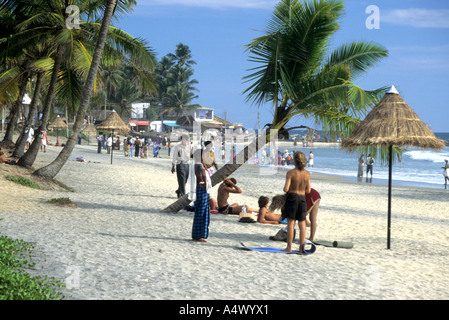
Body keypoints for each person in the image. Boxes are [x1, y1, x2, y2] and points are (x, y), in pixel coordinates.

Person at [282, 151, 311, 253]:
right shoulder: (307, 174)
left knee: (291, 223)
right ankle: (301, 248)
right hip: (302, 198)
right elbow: (308, 190)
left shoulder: (290, 173)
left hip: (292, 198)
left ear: (294, 160)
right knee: (302, 223)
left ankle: (289, 247)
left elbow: (286, 189)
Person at [191, 149, 211, 243]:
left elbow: (205, 170)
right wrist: (203, 183)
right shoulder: (199, 165)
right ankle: (198, 236)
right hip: (202, 189)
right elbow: (202, 175)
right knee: (202, 212)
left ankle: (197, 235)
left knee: (201, 211)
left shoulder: (198, 163)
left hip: (201, 189)